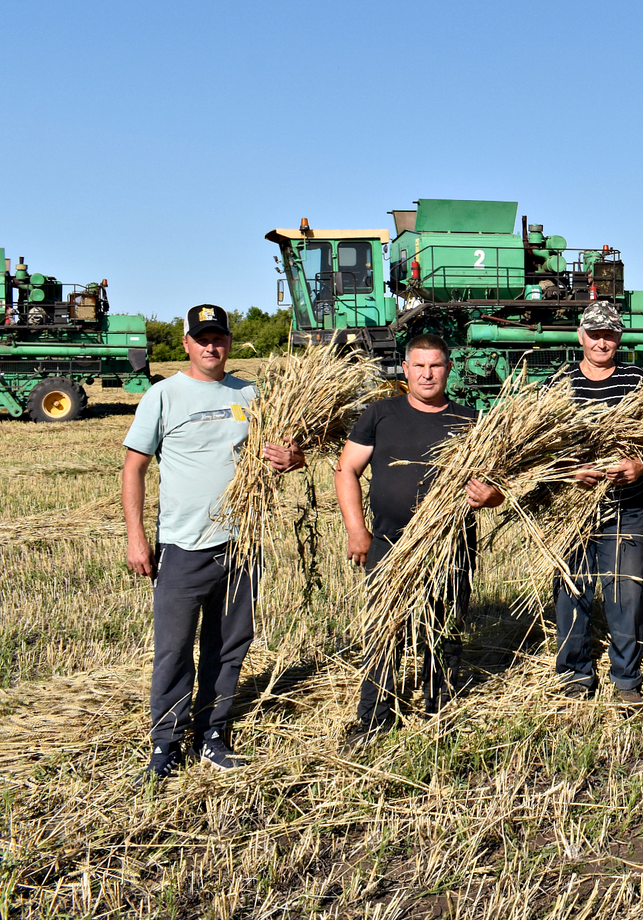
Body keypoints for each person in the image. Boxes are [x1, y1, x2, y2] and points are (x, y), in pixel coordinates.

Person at [123, 303, 305, 783]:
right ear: (186, 343)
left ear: (227, 341)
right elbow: (133, 469)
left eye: (219, 337)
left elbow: (291, 451)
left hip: (242, 543)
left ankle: (212, 734)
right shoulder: (163, 395)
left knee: (228, 645)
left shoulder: (252, 393)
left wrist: (292, 457)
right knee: (173, 648)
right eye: (201, 338)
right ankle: (166, 742)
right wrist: (137, 536)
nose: (211, 346)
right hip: (183, 546)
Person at [334, 334, 503, 744]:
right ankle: (375, 716)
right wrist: (357, 530)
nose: (427, 374)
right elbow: (346, 470)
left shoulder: (471, 421)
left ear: (448, 368)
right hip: (390, 543)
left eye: (436, 366)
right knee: (383, 631)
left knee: (443, 628)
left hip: (450, 545)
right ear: (405, 370)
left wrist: (490, 496)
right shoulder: (379, 413)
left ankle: (437, 708)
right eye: (419, 366)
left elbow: (498, 487)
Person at [550, 301, 643, 703]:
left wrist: (640, 464)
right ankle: (576, 673)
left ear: (619, 338)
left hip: (625, 507)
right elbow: (541, 450)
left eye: (609, 334)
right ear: (581, 336)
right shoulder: (558, 384)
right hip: (571, 508)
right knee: (572, 591)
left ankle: (626, 678)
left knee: (626, 593)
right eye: (594, 333)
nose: (601, 341)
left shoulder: (636, 379)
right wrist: (570, 471)